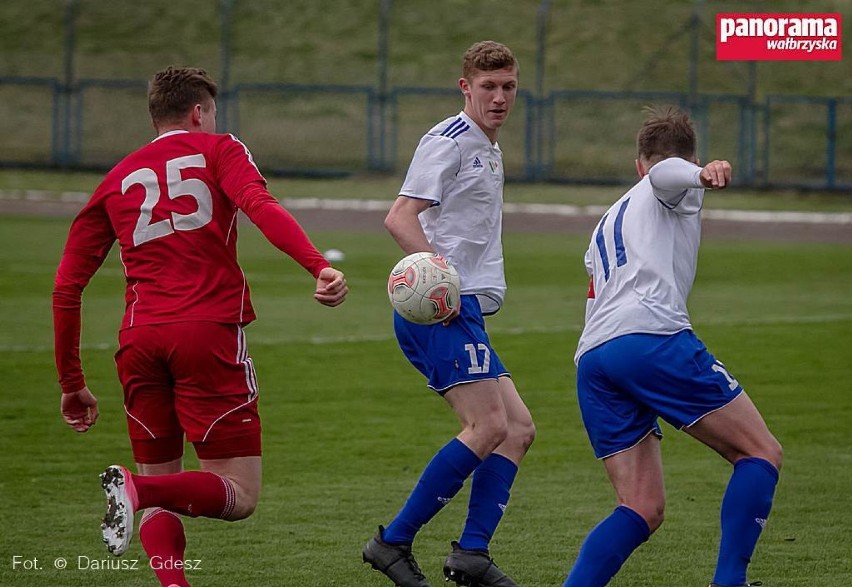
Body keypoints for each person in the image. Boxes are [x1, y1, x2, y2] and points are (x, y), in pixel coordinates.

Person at [53, 66, 348, 587]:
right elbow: (259, 204)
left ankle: (168, 566)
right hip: (207, 333)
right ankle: (139, 490)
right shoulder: (219, 149)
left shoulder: (117, 176)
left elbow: (66, 287)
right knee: (238, 494)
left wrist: (72, 383)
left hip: (139, 339)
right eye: (212, 114)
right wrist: (316, 265)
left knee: (159, 479)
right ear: (198, 113)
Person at [562, 106, 782, 587]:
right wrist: (702, 172)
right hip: (651, 338)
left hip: (595, 359)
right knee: (761, 452)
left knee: (640, 506)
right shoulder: (670, 185)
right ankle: (730, 582)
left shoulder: (609, 218)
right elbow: (669, 173)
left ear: (634, 162)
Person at [361, 41, 535, 587]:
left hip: (464, 311)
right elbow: (400, 217)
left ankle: (473, 554)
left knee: (517, 430)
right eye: (488, 87)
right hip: (440, 311)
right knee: (487, 426)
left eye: (508, 86)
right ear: (466, 88)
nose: (500, 97)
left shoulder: (487, 145)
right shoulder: (449, 141)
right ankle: (391, 543)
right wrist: (441, 279)